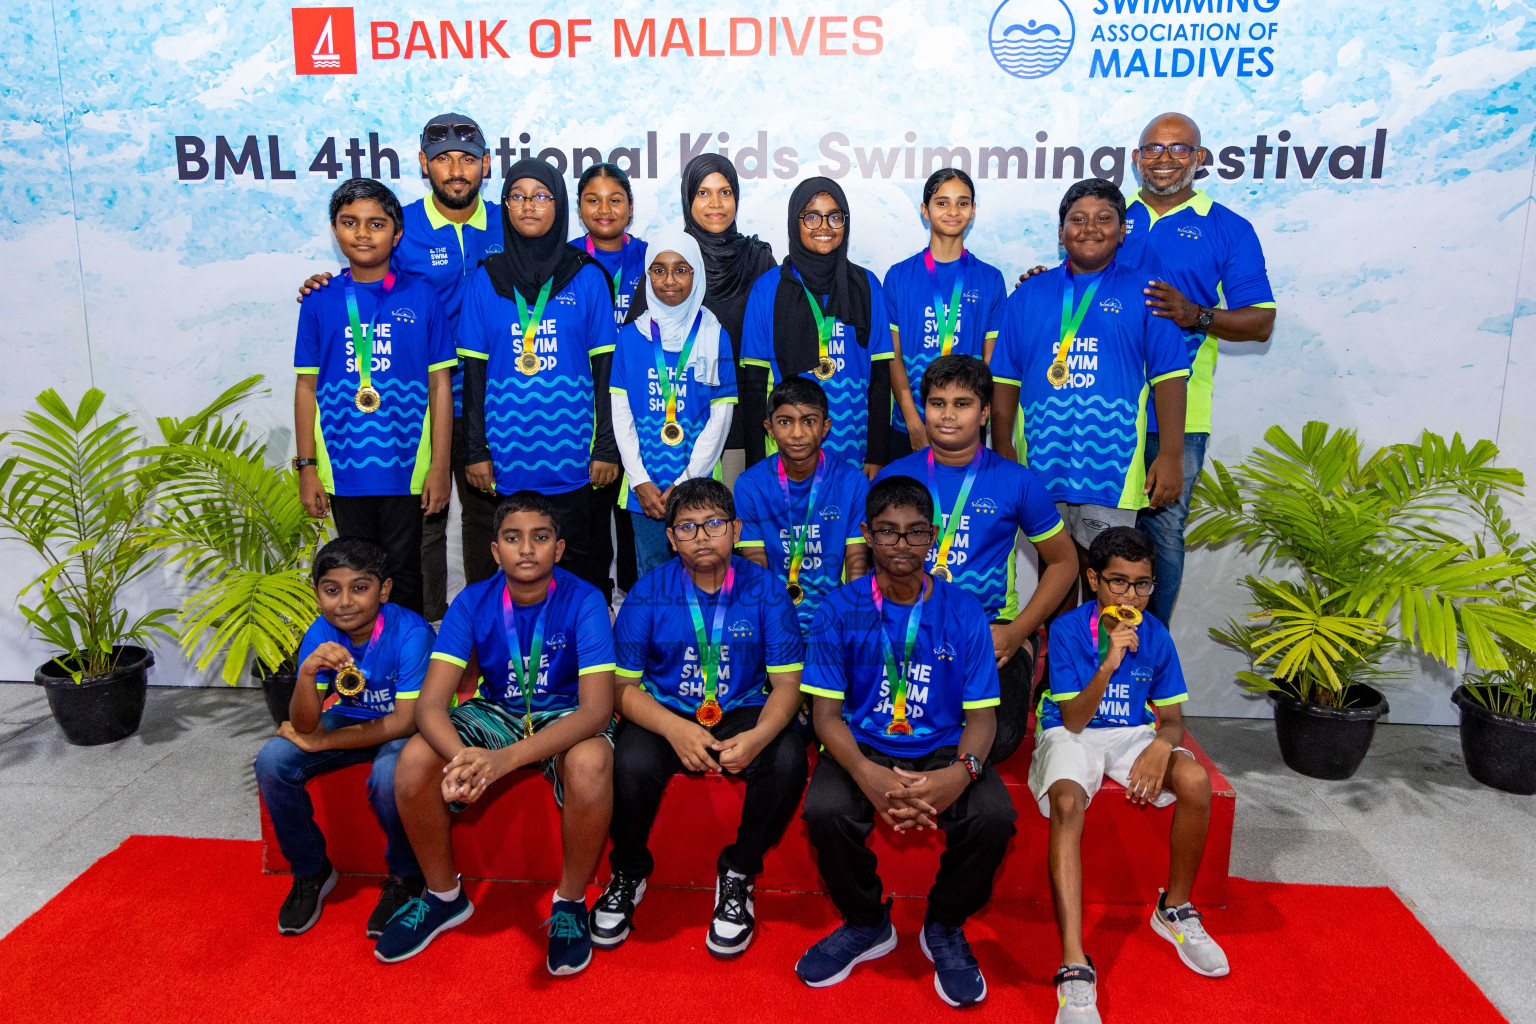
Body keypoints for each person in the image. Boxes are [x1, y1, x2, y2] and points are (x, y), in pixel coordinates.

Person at [796, 476, 1016, 1008]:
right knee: (824, 810)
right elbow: (825, 715)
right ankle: (867, 921)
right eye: (888, 533)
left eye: (916, 533)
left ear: (933, 537)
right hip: (864, 741)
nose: (901, 546)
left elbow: (984, 718)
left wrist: (957, 773)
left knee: (995, 817)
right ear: (867, 535)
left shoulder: (963, 610)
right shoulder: (837, 608)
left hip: (943, 745)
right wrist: (867, 776)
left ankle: (943, 924)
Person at [377, 493, 617, 975]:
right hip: (500, 711)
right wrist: (464, 758)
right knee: (413, 763)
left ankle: (569, 904)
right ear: (495, 551)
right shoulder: (472, 601)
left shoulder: (585, 598)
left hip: (565, 715)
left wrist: (501, 763)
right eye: (513, 538)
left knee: (590, 764)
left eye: (540, 537)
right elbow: (429, 706)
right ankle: (444, 896)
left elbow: (596, 711)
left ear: (559, 548)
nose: (526, 549)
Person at [298, 114, 506, 615]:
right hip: (415, 411)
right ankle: (425, 633)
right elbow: (366, 276)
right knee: (424, 529)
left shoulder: (508, 222)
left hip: (491, 402)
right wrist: (324, 285)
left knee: (487, 519)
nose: (455, 169)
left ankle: (486, 630)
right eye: (443, 160)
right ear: (423, 165)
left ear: (485, 164)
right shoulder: (403, 225)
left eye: (467, 158)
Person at [594, 479, 808, 958]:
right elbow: (620, 689)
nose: (702, 536)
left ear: (734, 529)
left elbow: (788, 687)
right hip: (667, 709)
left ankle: (738, 872)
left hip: (742, 708)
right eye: (687, 527)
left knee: (788, 758)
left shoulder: (769, 592)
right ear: (670, 538)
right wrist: (674, 728)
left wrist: (757, 738)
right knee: (627, 762)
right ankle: (628, 871)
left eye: (714, 524)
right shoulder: (647, 593)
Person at [1030, 527, 1223, 1024]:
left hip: (1131, 734)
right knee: (1069, 801)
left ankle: (1174, 910)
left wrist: (1161, 742)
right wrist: (1110, 659)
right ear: (1094, 579)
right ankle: (1074, 963)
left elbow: (1175, 718)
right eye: (1118, 582)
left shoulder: (1156, 634)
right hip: (1070, 732)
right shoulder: (1070, 629)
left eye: (1142, 584)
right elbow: (1073, 719)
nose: (1131, 595)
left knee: (1197, 782)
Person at [991, 178, 1191, 597]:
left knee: (1108, 582)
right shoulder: (1028, 295)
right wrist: (1004, 449)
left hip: (1111, 470)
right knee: (1057, 574)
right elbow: (1005, 379)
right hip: (1043, 465)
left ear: (1122, 231)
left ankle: (1104, 661)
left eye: (1104, 218)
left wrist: (1171, 454)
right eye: (1077, 219)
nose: (1090, 228)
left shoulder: (1148, 293)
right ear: (1061, 231)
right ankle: (1058, 662)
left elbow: (1169, 377)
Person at [876, 355, 1076, 765]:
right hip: (909, 627)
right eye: (937, 403)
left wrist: (1018, 632)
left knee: (1000, 738)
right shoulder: (894, 477)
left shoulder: (1015, 480)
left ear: (985, 411)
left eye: (962, 404)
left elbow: (1065, 563)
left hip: (992, 632)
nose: (947, 415)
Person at [1122, 112, 1276, 625]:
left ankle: (1147, 659)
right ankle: (1090, 667)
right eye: (1153, 149)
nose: (1164, 159)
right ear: (1137, 157)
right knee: (1097, 538)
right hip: (1103, 409)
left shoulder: (1227, 227)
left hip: (1179, 415)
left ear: (1201, 159)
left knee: (1163, 536)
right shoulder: (1107, 212)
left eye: (1179, 149)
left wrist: (1196, 314)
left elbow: (1260, 321)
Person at [457, 159, 621, 599]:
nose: (529, 206)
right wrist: (476, 451)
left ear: (559, 203)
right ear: (506, 204)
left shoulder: (587, 276)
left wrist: (605, 446)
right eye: (518, 196)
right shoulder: (485, 280)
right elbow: (472, 376)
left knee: (583, 576)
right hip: (507, 464)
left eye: (542, 196)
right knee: (517, 582)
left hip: (577, 463)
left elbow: (607, 373)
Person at [254, 537, 433, 939]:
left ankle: (407, 877)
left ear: (383, 589)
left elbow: (405, 722)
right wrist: (306, 675)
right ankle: (310, 870)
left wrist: (324, 742)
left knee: (389, 777)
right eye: (332, 590)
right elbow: (303, 724)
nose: (346, 602)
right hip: (350, 719)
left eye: (360, 587)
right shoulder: (320, 633)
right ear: (317, 593)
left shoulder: (411, 633)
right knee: (271, 761)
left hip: (403, 730)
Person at [293, 177, 454, 617]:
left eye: (376, 224)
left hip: (407, 470)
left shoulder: (423, 297)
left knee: (405, 572)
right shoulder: (320, 299)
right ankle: (366, 669)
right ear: (334, 229)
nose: (363, 234)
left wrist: (440, 468)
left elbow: (440, 384)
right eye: (350, 223)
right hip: (344, 471)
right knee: (355, 574)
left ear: (397, 234)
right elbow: (307, 386)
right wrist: (307, 468)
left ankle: (410, 667)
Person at [629, 155, 776, 487]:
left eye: (725, 192)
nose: (716, 204)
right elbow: (637, 342)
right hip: (677, 426)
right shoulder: (671, 258)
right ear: (688, 198)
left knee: (734, 531)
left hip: (741, 427)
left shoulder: (759, 260)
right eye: (703, 193)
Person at [741, 177, 893, 476]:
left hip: (854, 455)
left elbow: (880, 378)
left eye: (834, 216)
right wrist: (757, 466)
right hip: (783, 458)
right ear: (794, 222)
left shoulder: (866, 285)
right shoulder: (767, 290)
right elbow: (754, 386)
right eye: (811, 216)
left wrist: (877, 455)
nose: (824, 226)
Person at [610, 230, 737, 575]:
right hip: (645, 490)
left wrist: (687, 482)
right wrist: (639, 479)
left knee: (703, 571)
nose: (669, 280)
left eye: (681, 270)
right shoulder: (630, 338)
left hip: (699, 484)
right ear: (648, 275)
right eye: (659, 269)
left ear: (697, 272)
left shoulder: (714, 335)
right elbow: (621, 415)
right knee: (652, 577)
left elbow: (721, 416)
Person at [882, 169, 1008, 464]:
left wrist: (973, 416)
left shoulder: (989, 279)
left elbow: (991, 362)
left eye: (962, 203)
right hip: (909, 424)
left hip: (966, 425)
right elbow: (893, 356)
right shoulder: (899, 276)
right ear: (925, 210)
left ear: (973, 210)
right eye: (942, 203)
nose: (953, 211)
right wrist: (913, 421)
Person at [735, 376, 871, 637]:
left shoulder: (852, 481)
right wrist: (770, 623)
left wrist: (850, 621)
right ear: (769, 429)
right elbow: (756, 565)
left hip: (834, 614)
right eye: (785, 422)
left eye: (809, 421)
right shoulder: (750, 484)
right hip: (774, 612)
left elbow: (856, 563)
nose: (797, 433)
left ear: (825, 427)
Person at [575, 162, 649, 597]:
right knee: (591, 520)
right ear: (580, 208)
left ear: (630, 207)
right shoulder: (566, 261)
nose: (604, 209)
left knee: (636, 513)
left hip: (645, 406)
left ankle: (638, 604)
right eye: (593, 200)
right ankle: (594, 607)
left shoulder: (652, 256)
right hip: (587, 409)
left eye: (615, 199)